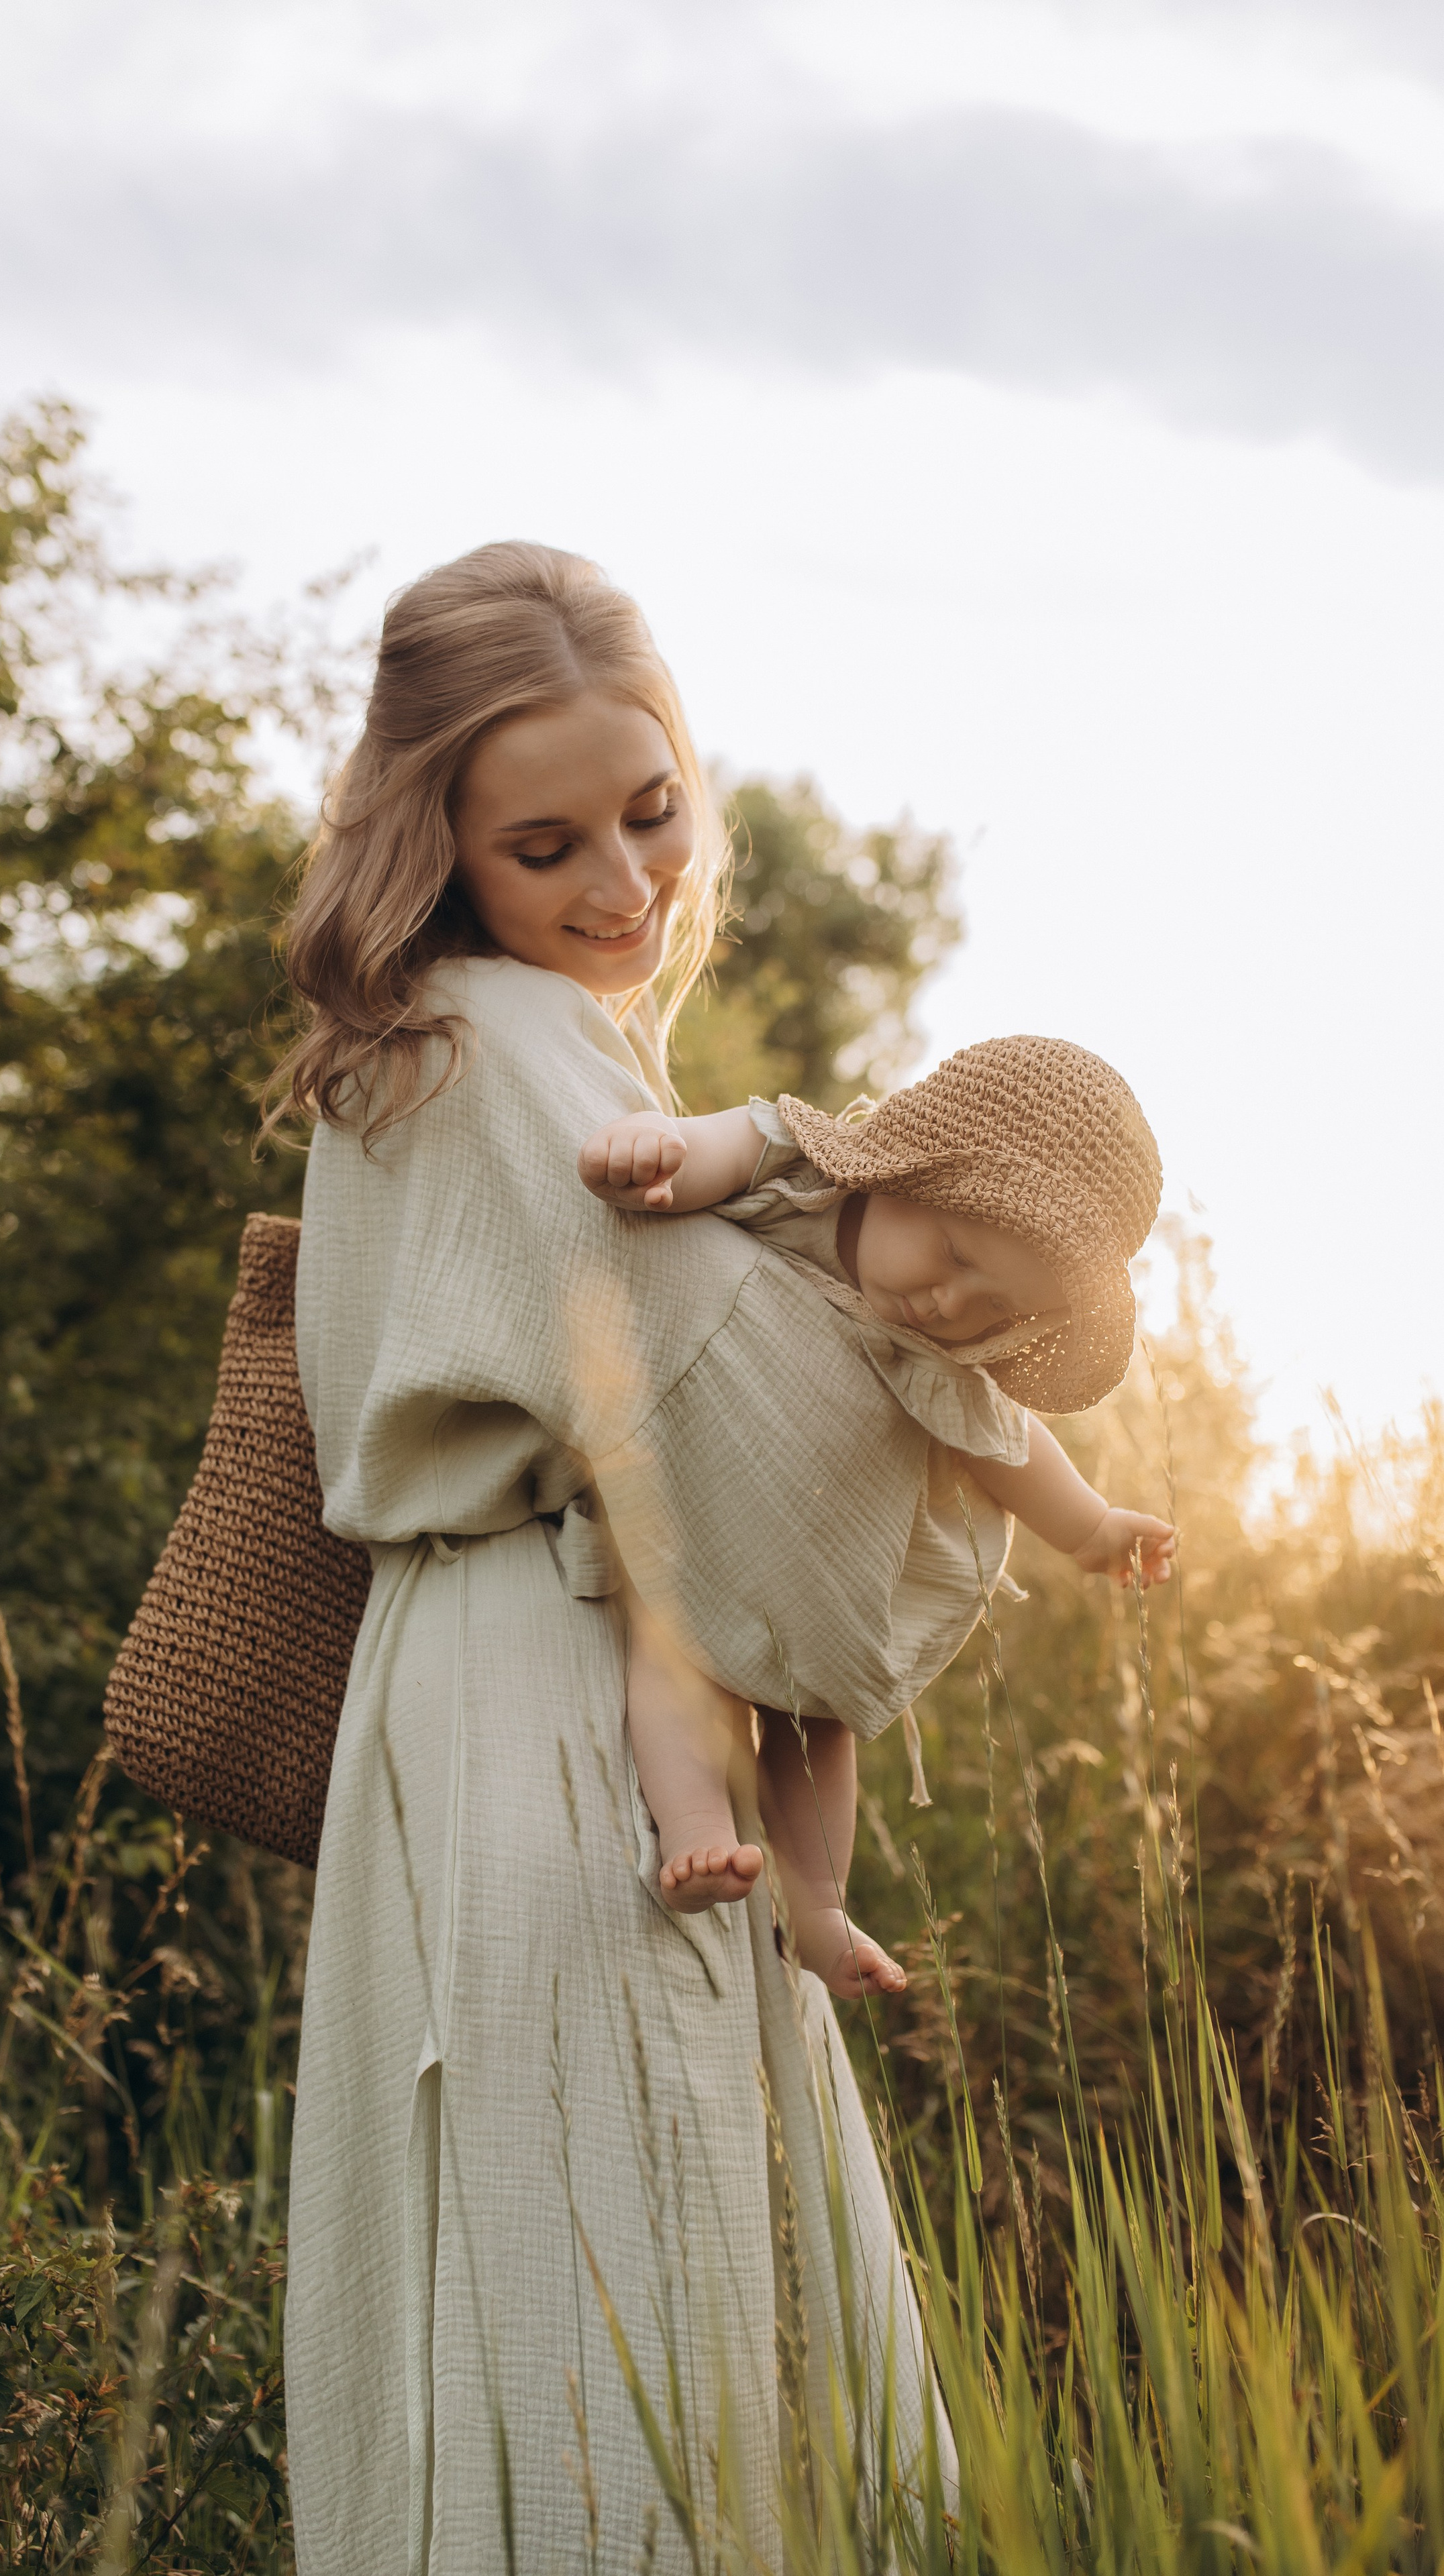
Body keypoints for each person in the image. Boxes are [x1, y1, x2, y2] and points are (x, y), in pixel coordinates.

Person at [264, 539, 1131, 2568]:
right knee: (624, 2259)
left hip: (497, 1675)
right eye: (546, 840)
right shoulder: (511, 1049)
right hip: (548, 1686)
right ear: (441, 842)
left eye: (652, 813)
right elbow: (742, 1413)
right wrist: (978, 1441)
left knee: (550, 2251)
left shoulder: (475, 1038)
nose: (625, 885)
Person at [576, 1055, 1174, 2002]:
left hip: (822, 1570)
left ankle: (819, 1906)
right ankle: (696, 1835)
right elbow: (714, 1151)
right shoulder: (798, 1171)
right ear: (906, 1164)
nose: (954, 1308)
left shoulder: (954, 1353)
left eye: (999, 1307)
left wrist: (1093, 1529)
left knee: (821, 1723)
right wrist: (656, 1154)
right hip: (701, 1522)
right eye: (956, 1255)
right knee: (674, 1656)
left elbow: (1008, 1446)